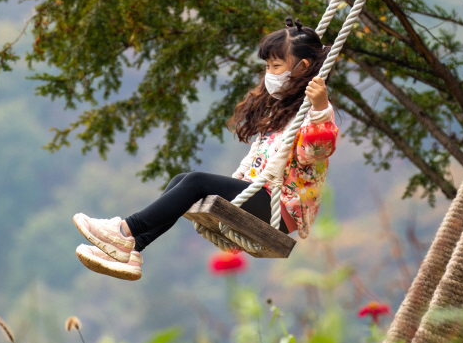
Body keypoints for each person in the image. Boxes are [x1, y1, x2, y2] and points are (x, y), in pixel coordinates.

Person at [72, 18, 339, 280]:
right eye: (267, 65)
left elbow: (314, 153)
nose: (269, 73)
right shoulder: (282, 109)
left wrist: (319, 109)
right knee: (182, 180)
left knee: (197, 182)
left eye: (276, 65)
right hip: (262, 195)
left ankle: (123, 230)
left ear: (303, 67)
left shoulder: (312, 112)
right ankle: (133, 249)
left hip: (280, 209)